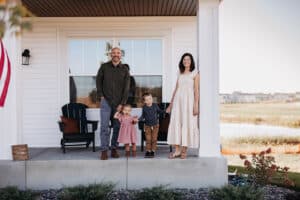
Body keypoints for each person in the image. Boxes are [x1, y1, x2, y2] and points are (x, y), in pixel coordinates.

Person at [96, 47, 130, 160]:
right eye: (114, 53)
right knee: (104, 127)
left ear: (121, 55)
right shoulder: (104, 67)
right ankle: (104, 150)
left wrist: (122, 103)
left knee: (117, 127)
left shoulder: (124, 69)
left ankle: (114, 149)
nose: (116, 54)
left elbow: (126, 88)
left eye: (118, 53)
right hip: (106, 102)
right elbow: (98, 81)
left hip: (118, 104)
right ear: (111, 54)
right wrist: (101, 95)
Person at [166, 53, 200, 159]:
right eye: (184, 59)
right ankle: (177, 150)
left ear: (191, 61)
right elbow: (176, 89)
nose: (186, 61)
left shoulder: (195, 74)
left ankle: (184, 149)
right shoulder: (179, 73)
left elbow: (196, 91)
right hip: (178, 102)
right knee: (176, 123)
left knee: (187, 123)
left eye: (188, 59)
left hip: (188, 103)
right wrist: (170, 104)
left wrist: (196, 105)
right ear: (182, 61)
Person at [139, 92, 164, 158]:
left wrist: (165, 111)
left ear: (152, 99)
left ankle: (153, 151)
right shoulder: (144, 107)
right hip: (147, 126)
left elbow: (160, 111)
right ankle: (148, 151)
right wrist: (138, 119)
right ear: (144, 101)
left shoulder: (155, 105)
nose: (149, 101)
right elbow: (143, 116)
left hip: (155, 125)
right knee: (148, 139)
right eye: (147, 100)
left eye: (150, 99)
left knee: (154, 138)